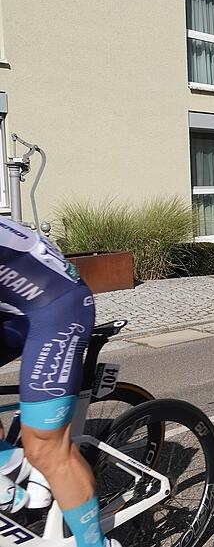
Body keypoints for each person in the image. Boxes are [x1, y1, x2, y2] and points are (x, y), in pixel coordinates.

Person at [0, 216, 121, 546]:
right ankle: (11, 469)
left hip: (55, 309)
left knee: (45, 449)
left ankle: (96, 543)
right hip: (14, 307)